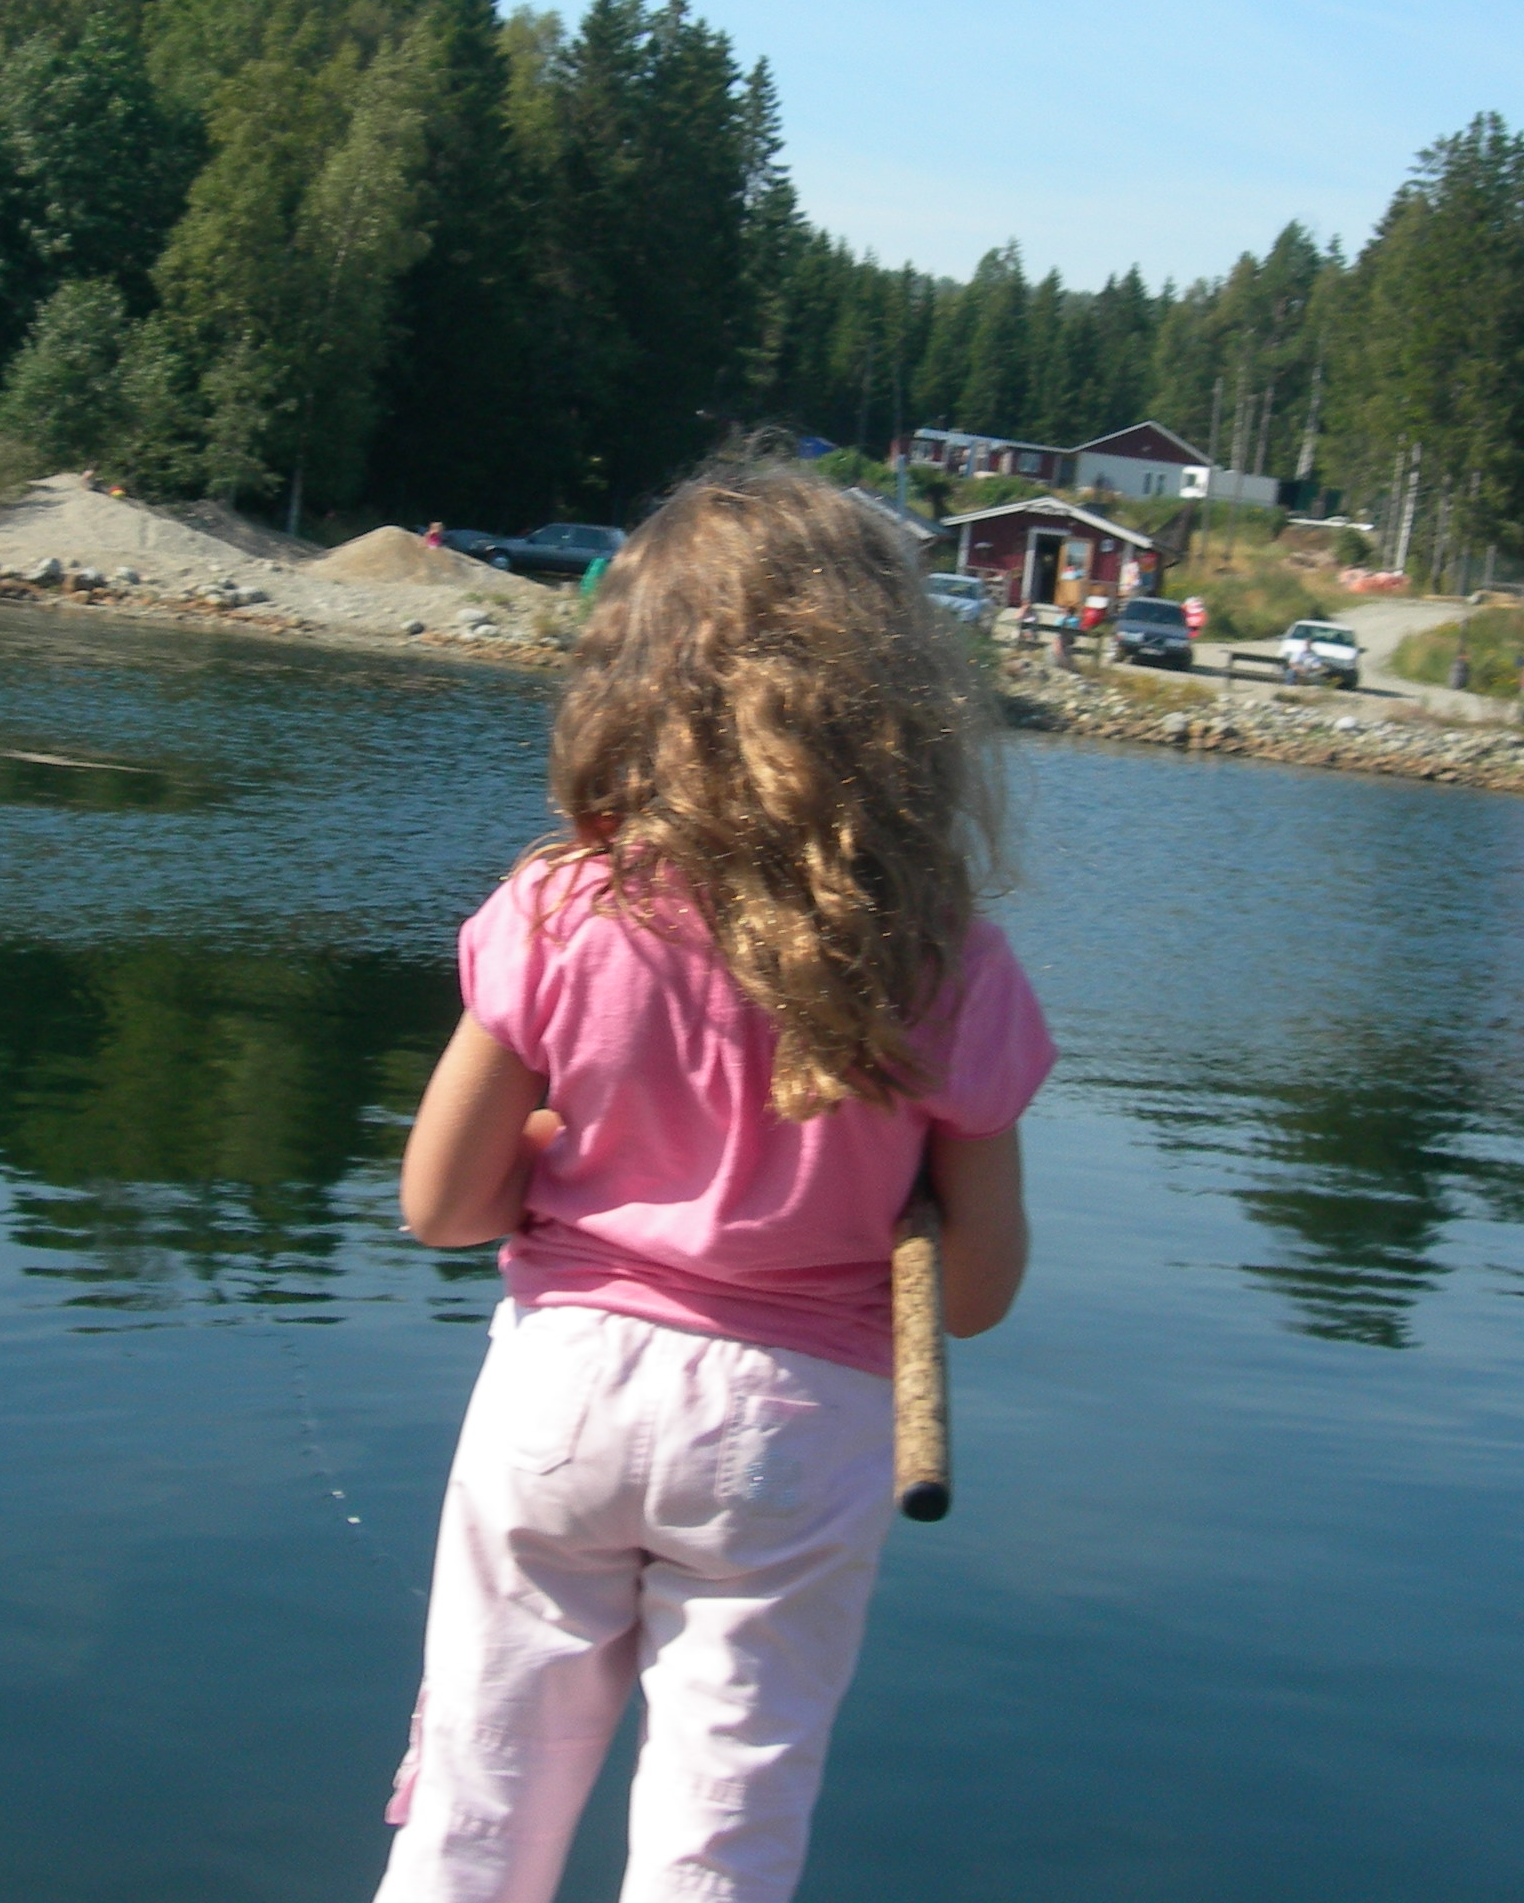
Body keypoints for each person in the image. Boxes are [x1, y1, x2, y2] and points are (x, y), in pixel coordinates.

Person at [376, 459, 1051, 1903]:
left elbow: (441, 1206)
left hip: (564, 1397)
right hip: (797, 1438)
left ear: (635, 677)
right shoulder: (946, 964)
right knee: (719, 1841)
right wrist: (902, 1202)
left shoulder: (562, 906)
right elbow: (978, 1293)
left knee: (477, 1817)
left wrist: (552, 1166)